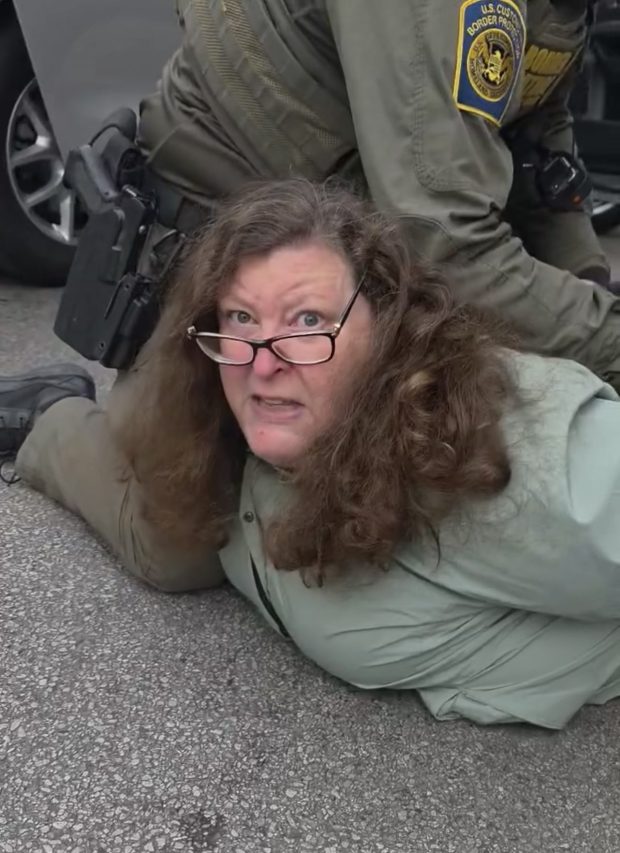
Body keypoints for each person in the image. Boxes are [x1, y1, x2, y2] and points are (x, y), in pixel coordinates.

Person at [3, 178, 620, 729]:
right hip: (186, 367)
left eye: (306, 319)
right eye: (241, 316)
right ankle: (54, 414)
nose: (264, 362)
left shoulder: (490, 457)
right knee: (167, 545)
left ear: (386, 325)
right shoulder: (218, 379)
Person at [130, 0, 620, 389]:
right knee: (198, 502)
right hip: (224, 259)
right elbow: (442, 240)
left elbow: (538, 133)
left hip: (356, 242)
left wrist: (586, 284)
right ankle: (57, 413)